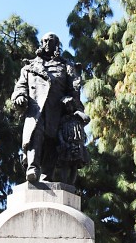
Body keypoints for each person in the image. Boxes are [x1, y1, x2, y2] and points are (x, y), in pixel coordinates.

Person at [12, 32, 85, 184]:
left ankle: (47, 175)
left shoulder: (66, 66)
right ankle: (32, 168)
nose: (46, 44)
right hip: (35, 110)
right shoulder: (29, 67)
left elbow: (74, 89)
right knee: (35, 135)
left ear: (56, 44)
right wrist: (19, 97)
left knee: (52, 141)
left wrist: (70, 100)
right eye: (44, 41)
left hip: (57, 110)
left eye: (50, 41)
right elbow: (20, 87)